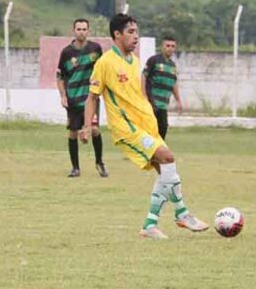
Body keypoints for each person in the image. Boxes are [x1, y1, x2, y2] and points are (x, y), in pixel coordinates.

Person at [79, 13, 208, 239]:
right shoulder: (105, 62)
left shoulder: (134, 61)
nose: (136, 37)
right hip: (127, 129)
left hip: (146, 125)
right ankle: (182, 214)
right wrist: (87, 126)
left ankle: (151, 224)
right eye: (130, 32)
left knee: (166, 171)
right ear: (116, 35)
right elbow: (92, 97)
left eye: (137, 32)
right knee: (168, 158)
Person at [56, 18, 108, 178]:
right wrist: (63, 95)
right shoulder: (66, 53)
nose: (82, 32)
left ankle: (99, 163)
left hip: (90, 98)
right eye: (79, 29)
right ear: (74, 31)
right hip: (73, 98)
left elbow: (103, 70)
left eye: (84, 29)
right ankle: (75, 168)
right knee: (73, 133)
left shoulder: (95, 49)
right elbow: (60, 76)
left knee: (94, 130)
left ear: (88, 31)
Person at [142, 36, 183, 139]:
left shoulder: (172, 65)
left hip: (163, 104)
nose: (170, 48)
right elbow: (143, 76)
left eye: (173, 46)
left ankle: (157, 153)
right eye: (168, 45)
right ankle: (148, 153)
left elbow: (173, 83)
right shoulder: (154, 60)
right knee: (151, 129)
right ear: (162, 47)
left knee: (163, 128)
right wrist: (144, 95)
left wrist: (178, 100)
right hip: (152, 101)